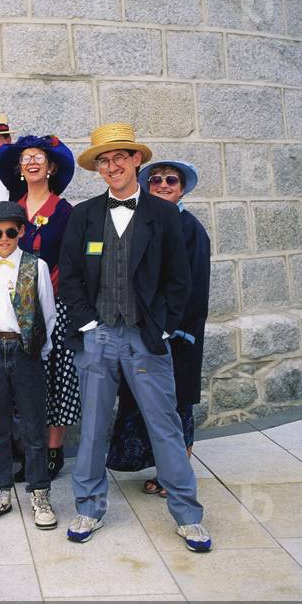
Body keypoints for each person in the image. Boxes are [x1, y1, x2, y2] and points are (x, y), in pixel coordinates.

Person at [59, 123, 212, 552]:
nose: (112, 166)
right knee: (92, 428)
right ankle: (88, 507)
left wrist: (161, 328)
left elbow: (178, 281)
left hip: (145, 338)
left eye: (120, 157)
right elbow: (69, 276)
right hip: (97, 336)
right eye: (104, 160)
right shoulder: (84, 214)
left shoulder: (164, 215)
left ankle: (187, 515)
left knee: (164, 427)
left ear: (136, 161)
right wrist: (88, 325)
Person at [107, 160, 211, 495]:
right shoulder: (141, 223)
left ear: (181, 188)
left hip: (177, 335)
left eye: (171, 180)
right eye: (155, 180)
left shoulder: (190, 229)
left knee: (176, 404)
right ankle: (162, 469)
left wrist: (174, 329)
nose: (163, 185)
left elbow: (193, 288)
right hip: (139, 332)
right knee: (147, 403)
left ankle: (177, 473)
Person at [0, 134, 81, 481]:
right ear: (19, 169)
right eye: (26, 158)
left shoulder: (64, 211)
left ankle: (53, 450)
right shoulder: (12, 210)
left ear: (51, 167)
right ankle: (31, 447)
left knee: (56, 377)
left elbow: (71, 261)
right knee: (25, 379)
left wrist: (46, 291)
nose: (32, 162)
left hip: (53, 306)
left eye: (39, 157)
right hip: (14, 307)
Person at [0, 201, 57, 530]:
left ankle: (39, 492)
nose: (3, 238)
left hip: (26, 347)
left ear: (21, 231)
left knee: (34, 426)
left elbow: (47, 311)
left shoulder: (37, 266)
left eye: (10, 231)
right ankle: (0, 491)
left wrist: (40, 349)